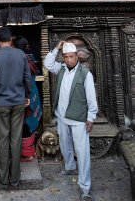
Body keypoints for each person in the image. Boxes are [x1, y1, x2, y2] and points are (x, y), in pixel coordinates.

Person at [44, 41, 98, 201]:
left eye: (71, 57)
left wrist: (91, 117)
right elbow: (47, 63)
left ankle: (85, 187)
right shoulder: (61, 69)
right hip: (62, 116)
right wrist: (56, 48)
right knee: (65, 145)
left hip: (79, 118)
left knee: (82, 152)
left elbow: (91, 98)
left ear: (77, 57)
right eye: (66, 57)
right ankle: (70, 168)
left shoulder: (85, 73)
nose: (69, 60)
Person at [0, 27, 32, 190]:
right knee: (16, 138)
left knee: (2, 139)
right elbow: (27, 77)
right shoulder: (20, 54)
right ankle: (14, 178)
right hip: (18, 102)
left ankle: (3, 178)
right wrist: (27, 95)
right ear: (11, 39)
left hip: (2, 103)